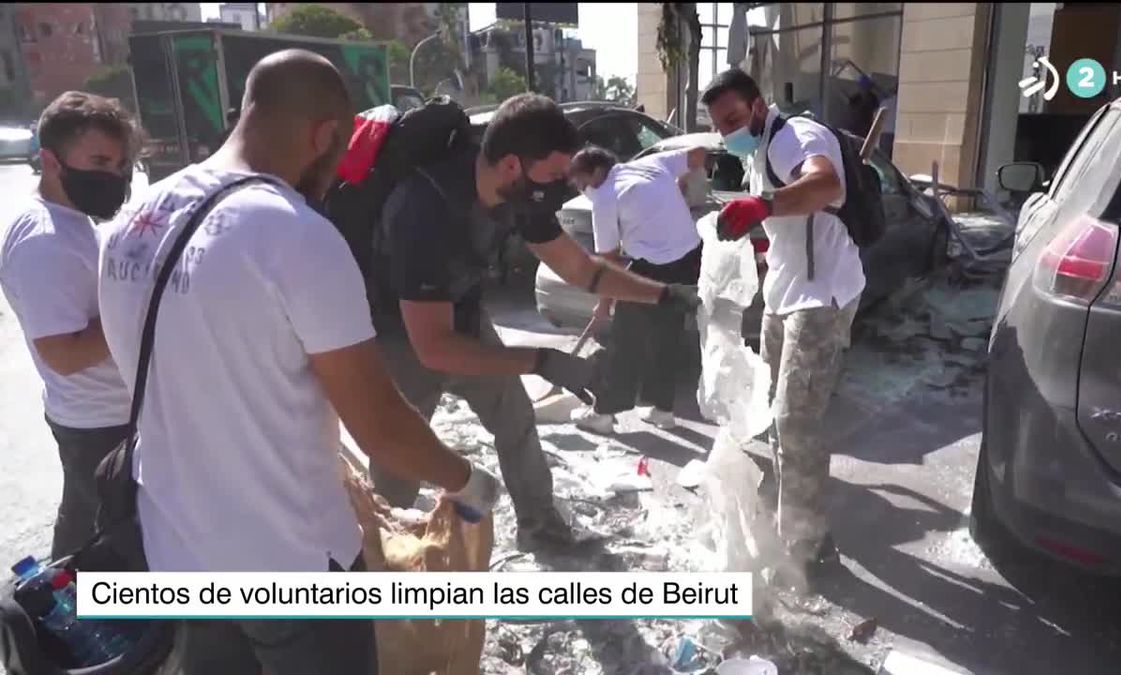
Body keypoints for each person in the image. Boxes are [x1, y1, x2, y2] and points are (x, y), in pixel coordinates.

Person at [98, 50, 498, 674]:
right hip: (289, 563)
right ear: (325, 135)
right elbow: (382, 428)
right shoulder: (294, 234)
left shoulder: (133, 221)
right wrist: (467, 481)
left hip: (174, 552)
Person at [370, 93, 700, 551]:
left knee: (515, 417)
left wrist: (664, 295)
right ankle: (378, 555)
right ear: (511, 165)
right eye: (552, 175)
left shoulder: (523, 195)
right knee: (401, 452)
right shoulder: (423, 207)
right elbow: (434, 349)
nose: (561, 187)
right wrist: (543, 360)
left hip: (462, 314)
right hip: (403, 335)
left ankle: (541, 526)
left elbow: (584, 270)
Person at [702, 68, 863, 578]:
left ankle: (809, 546)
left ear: (758, 104)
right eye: (719, 125)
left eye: (733, 118)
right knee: (771, 412)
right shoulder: (757, 150)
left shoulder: (795, 136)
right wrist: (758, 238)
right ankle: (785, 511)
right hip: (786, 292)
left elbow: (825, 183)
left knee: (796, 421)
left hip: (823, 295)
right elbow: (788, 224)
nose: (728, 131)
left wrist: (763, 204)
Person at [0, 92, 138, 560]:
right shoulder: (45, 241)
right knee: (97, 545)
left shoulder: (71, 220)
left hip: (105, 418)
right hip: (99, 425)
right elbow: (63, 354)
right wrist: (135, 304)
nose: (112, 175)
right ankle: (58, 623)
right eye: (99, 160)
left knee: (94, 529)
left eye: (119, 163)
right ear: (50, 161)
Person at [567, 144, 706, 434]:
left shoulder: (605, 197)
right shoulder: (653, 164)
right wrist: (678, 187)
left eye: (581, 183)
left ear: (597, 172)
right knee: (668, 333)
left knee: (625, 340)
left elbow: (608, 262)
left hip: (653, 266)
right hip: (690, 259)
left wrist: (605, 305)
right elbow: (698, 154)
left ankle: (604, 413)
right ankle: (662, 410)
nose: (582, 190)